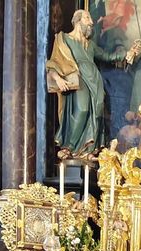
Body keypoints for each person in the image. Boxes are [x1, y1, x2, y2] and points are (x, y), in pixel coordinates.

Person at [46, 9, 128, 160]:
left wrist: (128, 54)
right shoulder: (64, 39)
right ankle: (69, 147)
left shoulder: (90, 45)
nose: (91, 22)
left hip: (95, 81)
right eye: (87, 18)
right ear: (78, 21)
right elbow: (53, 63)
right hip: (78, 79)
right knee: (82, 109)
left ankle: (89, 149)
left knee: (96, 111)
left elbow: (108, 56)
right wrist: (58, 79)